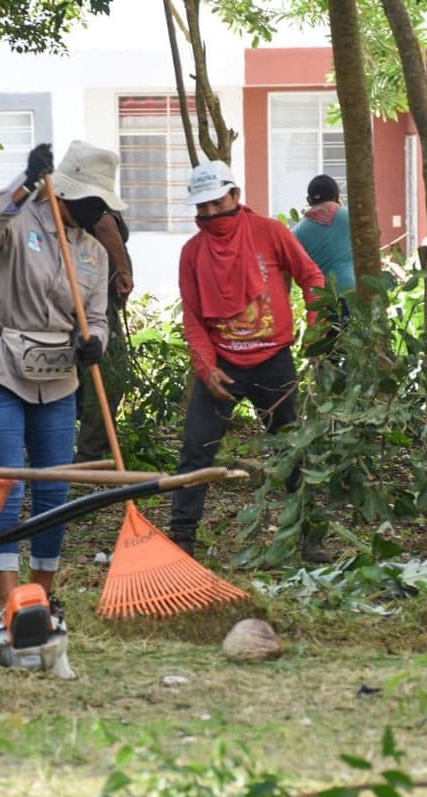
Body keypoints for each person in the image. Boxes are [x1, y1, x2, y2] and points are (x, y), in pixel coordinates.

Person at [0, 140, 122, 606]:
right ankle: (12, 603)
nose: (97, 211)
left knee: (55, 489)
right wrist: (24, 184)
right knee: (9, 485)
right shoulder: (17, 223)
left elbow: (96, 317)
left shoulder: (94, 252)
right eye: (90, 201)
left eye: (102, 204)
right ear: (64, 192)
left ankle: (41, 597)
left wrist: (94, 341)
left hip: (57, 376)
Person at [168, 160, 327, 562]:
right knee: (196, 450)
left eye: (217, 204)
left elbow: (311, 277)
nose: (209, 215)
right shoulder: (193, 253)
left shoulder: (270, 232)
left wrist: (316, 325)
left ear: (236, 196)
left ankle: (311, 538)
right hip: (222, 365)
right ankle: (182, 540)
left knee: (291, 448)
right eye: (201, 208)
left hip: (274, 359)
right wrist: (206, 367)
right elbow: (193, 316)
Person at [74, 209, 134, 463]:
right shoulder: (93, 197)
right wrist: (123, 272)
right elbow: (104, 224)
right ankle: (90, 456)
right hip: (91, 300)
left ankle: (84, 452)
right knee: (107, 376)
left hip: (88, 295)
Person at [292, 173, 356, 320]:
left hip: (322, 304)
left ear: (309, 200)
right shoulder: (355, 218)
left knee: (330, 343)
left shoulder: (296, 233)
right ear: (337, 196)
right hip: (356, 296)